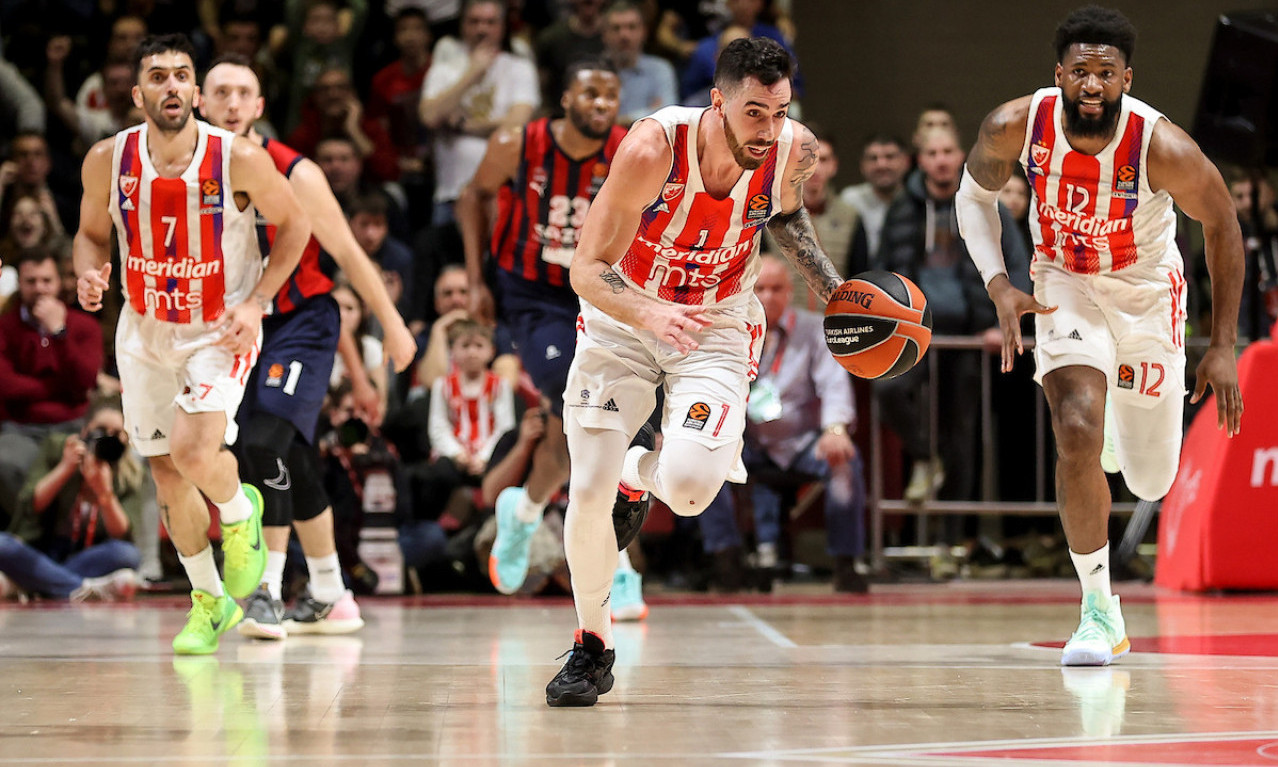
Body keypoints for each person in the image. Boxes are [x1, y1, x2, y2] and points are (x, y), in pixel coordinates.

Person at [546, 37, 845, 706]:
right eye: (753, 114)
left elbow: (786, 213)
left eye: (779, 111)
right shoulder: (653, 148)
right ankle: (592, 646)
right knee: (587, 490)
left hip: (715, 323)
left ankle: (640, 473)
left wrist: (827, 281)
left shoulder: (795, 149)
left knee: (686, 489)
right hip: (625, 318)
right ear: (717, 101)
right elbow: (585, 269)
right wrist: (649, 314)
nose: (768, 130)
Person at [956, 6, 1244, 666]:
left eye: (1105, 72)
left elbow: (1223, 225)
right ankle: (1097, 608)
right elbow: (972, 199)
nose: (1092, 83)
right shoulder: (1015, 125)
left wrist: (1223, 344)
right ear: (1059, 75)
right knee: (1076, 427)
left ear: (1126, 79)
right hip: (1063, 281)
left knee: (1150, 478)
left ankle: (1118, 418)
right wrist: (998, 282)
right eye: (1080, 70)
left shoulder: (1161, 145)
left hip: (1144, 293)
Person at [73, 34, 313, 655]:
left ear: (196, 93)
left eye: (182, 76)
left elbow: (296, 226)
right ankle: (209, 602)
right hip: (144, 330)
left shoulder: (238, 158)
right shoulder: (107, 158)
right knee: (166, 477)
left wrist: (257, 302)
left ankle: (240, 514)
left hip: (218, 327)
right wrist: (89, 272)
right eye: (158, 77)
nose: (172, 86)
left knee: (193, 451)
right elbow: (91, 236)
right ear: (137, 93)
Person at [199, 55, 418, 640]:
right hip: (232, 326)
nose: (232, 103)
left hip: (300, 320)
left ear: (260, 107)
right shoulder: (188, 173)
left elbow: (348, 254)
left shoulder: (294, 172)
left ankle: (264, 589)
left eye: (244, 92)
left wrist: (392, 325)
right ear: (200, 102)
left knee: (267, 441)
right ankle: (330, 592)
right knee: (286, 455)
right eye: (221, 92)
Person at [456, 57, 646, 618]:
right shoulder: (519, 141)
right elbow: (472, 197)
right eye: (590, 92)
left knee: (601, 428)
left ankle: (522, 512)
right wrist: (474, 279)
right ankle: (622, 569)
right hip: (535, 294)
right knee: (587, 411)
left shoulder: (630, 149)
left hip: (603, 288)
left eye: (610, 95)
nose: (601, 104)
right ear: (565, 98)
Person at [696, 255, 866, 592]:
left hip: (803, 441)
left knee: (844, 463)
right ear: (745, 291)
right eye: (760, 288)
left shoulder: (815, 330)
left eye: (776, 288)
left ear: (790, 291)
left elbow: (834, 383)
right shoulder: (728, 331)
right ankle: (727, 560)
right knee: (701, 462)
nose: (769, 297)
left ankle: (847, 563)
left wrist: (835, 429)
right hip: (747, 442)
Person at [0, 400, 141, 602]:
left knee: (127, 555)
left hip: (87, 557)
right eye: (100, 430)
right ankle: (81, 588)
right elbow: (31, 505)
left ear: (126, 439)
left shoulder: (130, 472)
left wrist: (105, 494)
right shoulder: (58, 448)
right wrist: (65, 468)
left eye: (116, 432)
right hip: (41, 550)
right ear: (85, 431)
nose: (107, 437)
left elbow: (123, 534)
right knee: (3, 544)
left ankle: (32, 585)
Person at [0, 247, 102, 527]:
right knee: (4, 462)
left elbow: (85, 382)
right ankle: (30, 536)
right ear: (19, 284)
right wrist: (59, 386)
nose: (39, 289)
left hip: (73, 425)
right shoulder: (5, 327)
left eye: (46, 280)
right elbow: (7, 387)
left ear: (59, 282)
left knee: (95, 465)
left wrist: (59, 332)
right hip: (20, 429)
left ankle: (59, 542)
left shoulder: (83, 326)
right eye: (31, 281)